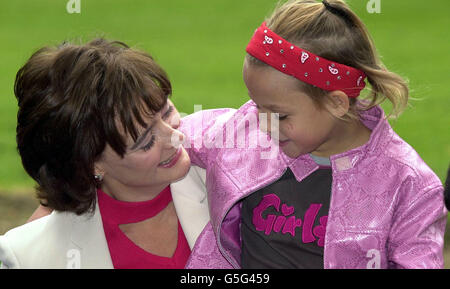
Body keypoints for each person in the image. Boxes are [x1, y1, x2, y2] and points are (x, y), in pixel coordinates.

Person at [180, 0, 447, 269]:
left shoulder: (408, 183)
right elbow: (161, 133)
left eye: (279, 115)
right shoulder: (242, 129)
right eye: (256, 104)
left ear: (337, 103)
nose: (262, 123)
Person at [0, 39, 210, 268]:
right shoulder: (32, 258)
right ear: (91, 164)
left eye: (167, 111)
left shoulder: (230, 175)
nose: (175, 137)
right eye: (146, 141)